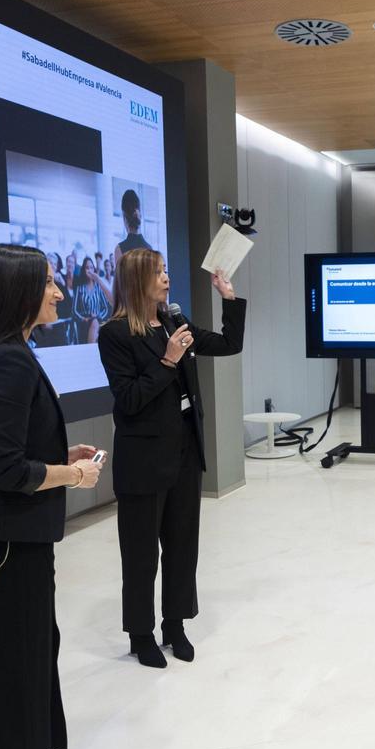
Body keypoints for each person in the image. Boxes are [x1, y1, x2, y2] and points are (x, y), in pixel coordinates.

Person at [0, 244, 104, 749]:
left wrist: (59, 459)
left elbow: (6, 453)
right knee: (12, 675)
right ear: (18, 292)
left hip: (3, 545)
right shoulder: (8, 359)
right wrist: (72, 476)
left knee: (13, 670)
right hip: (5, 551)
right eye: (48, 284)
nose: (59, 293)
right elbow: (6, 470)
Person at [97, 248, 246, 668]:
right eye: (159, 272)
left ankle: (175, 625)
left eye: (166, 270)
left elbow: (228, 343)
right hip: (143, 459)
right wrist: (168, 361)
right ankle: (141, 635)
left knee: (182, 547)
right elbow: (129, 399)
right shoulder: (114, 335)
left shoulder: (174, 321)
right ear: (136, 280)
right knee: (142, 555)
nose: (167, 278)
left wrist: (228, 298)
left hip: (183, 451)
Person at [74, 256, 113, 343]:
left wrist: (98, 317)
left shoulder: (98, 287)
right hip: (84, 322)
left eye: (91, 267)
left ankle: (90, 346)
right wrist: (83, 318)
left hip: (98, 320)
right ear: (83, 270)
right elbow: (74, 310)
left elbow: (106, 308)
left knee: (95, 322)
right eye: (87, 268)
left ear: (94, 269)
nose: (89, 270)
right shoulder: (79, 288)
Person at [113, 189, 149, 268]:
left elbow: (119, 280)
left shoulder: (120, 249)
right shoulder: (150, 249)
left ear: (124, 217)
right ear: (140, 215)